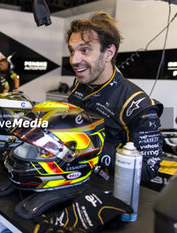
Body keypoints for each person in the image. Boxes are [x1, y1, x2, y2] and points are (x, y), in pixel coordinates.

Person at [66, 12, 163, 182]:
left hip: (108, 192)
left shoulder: (137, 104)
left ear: (109, 53)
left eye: (85, 50)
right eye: (72, 51)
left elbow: (149, 168)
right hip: (71, 179)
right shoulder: (80, 84)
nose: (74, 60)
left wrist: (91, 147)